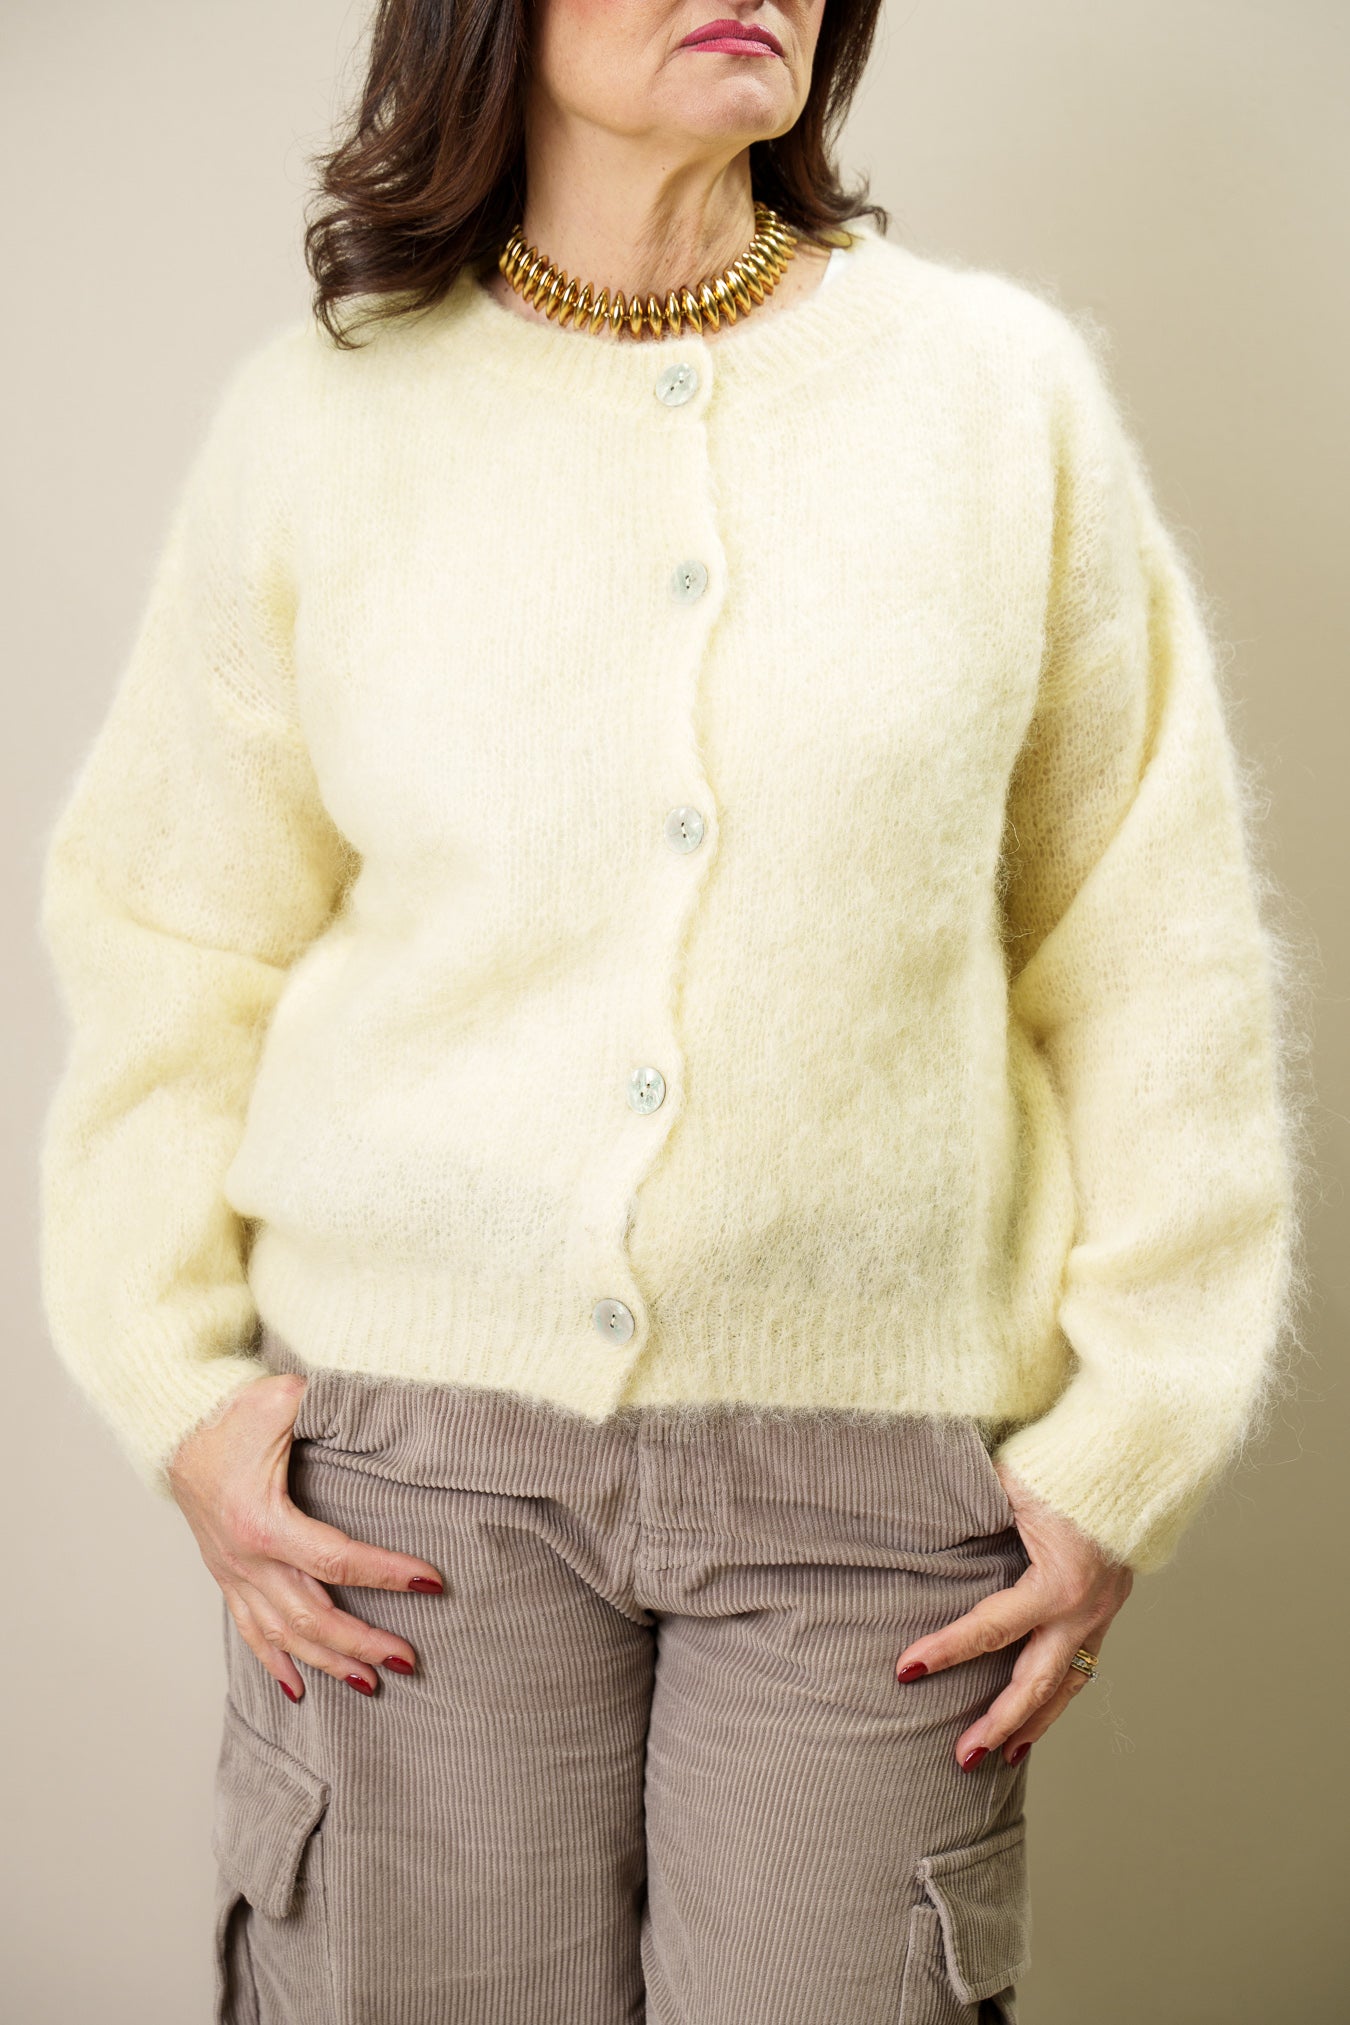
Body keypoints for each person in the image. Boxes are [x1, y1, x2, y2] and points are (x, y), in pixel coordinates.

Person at [36, 3, 1297, 2020]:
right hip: (413, 1476)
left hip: (877, 1482)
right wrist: (171, 1375)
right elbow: (174, 934)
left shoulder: (996, 401)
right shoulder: (323, 426)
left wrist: (1132, 1431)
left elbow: (1147, 945)